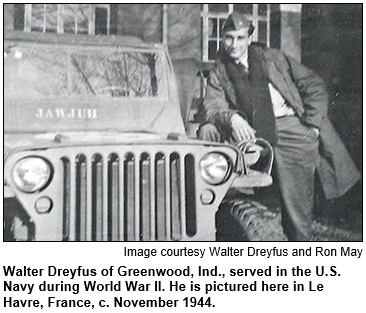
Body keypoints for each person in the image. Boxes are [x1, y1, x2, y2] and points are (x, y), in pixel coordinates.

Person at [198, 12, 360, 241]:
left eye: (240, 38)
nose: (234, 44)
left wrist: (312, 124)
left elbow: (314, 85)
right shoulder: (220, 71)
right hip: (252, 132)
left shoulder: (272, 58)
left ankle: (299, 248)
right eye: (228, 37)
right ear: (222, 38)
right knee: (210, 136)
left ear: (249, 38)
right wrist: (231, 118)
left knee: (296, 205)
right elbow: (212, 107)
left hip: (290, 127)